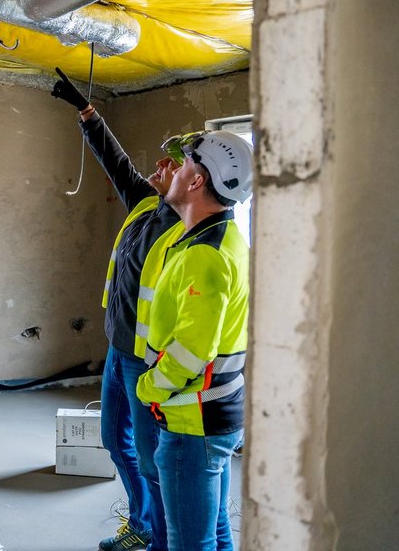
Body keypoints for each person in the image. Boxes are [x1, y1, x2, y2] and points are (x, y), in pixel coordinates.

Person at [52, 69, 196, 551]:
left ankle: (157, 537)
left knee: (153, 459)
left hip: (145, 359)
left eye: (170, 164)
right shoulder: (144, 205)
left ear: (192, 179)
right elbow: (116, 162)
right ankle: (141, 522)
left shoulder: (185, 228)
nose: (157, 166)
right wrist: (87, 113)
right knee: (117, 444)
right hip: (118, 348)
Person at [135, 131, 253, 551]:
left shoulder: (206, 255)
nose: (174, 171)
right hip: (211, 417)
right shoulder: (216, 238)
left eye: (183, 164)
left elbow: (190, 352)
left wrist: (148, 386)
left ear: (197, 181)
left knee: (190, 543)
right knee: (216, 534)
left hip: (193, 422)